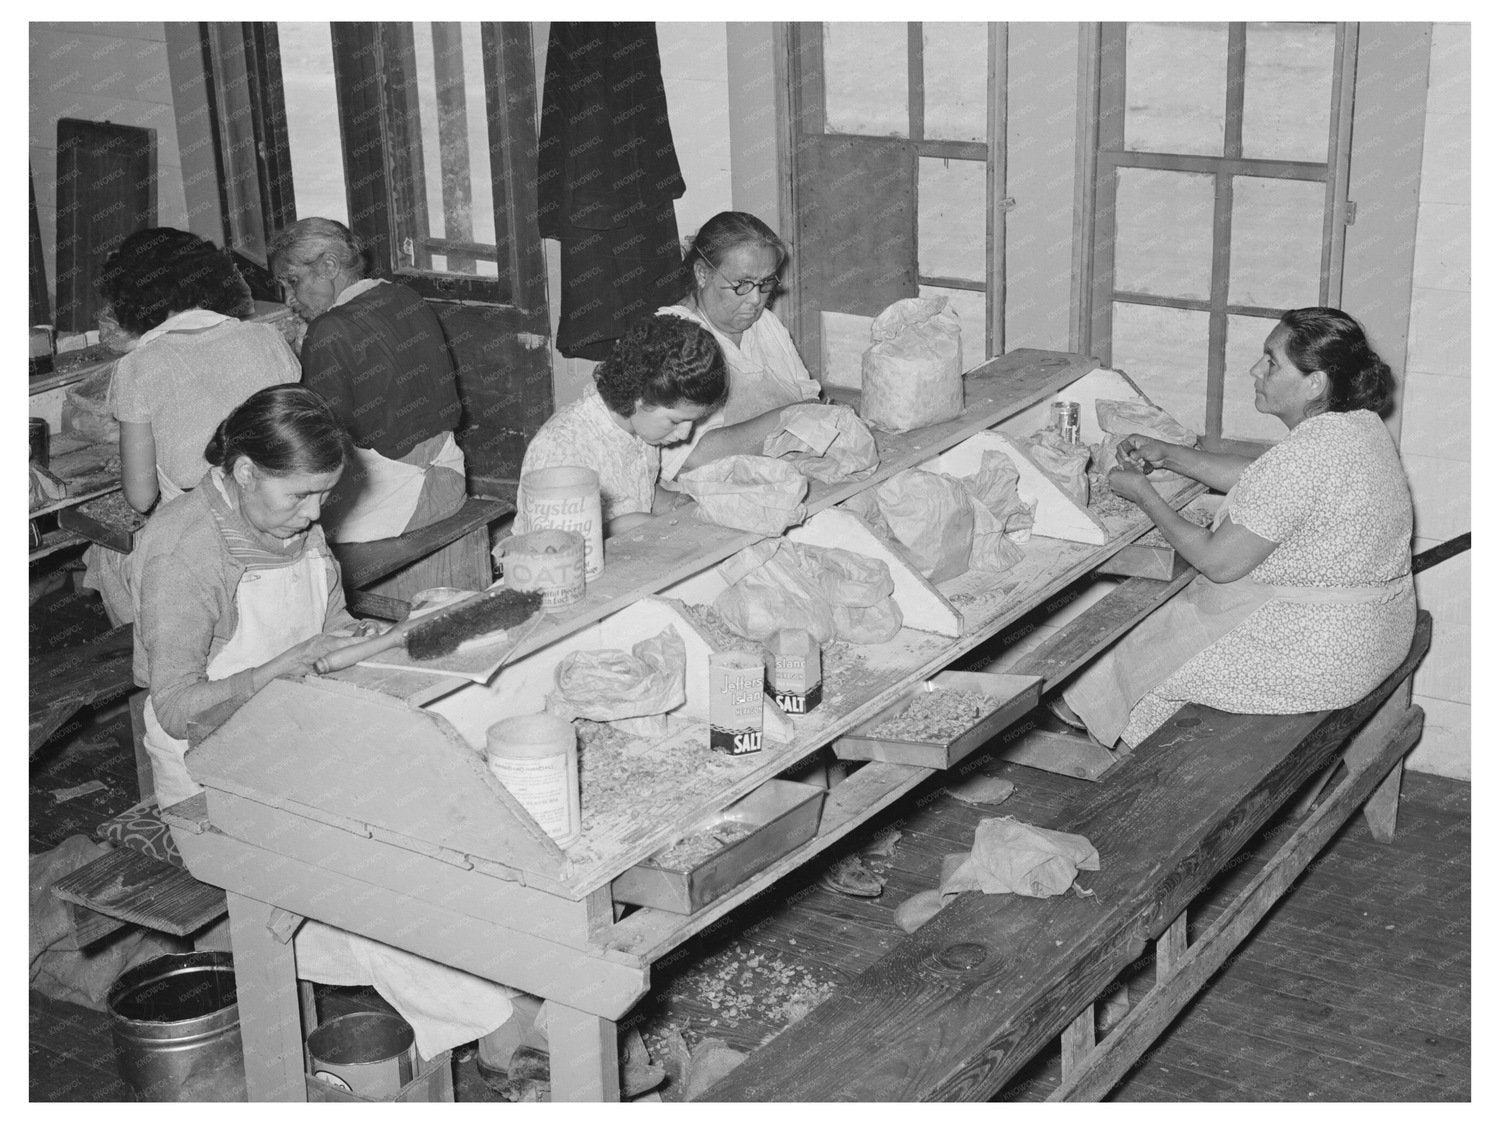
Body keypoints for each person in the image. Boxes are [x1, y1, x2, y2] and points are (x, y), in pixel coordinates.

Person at [130, 383, 522, 1069]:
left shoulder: (294, 522)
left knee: (446, 818)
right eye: (300, 498)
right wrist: (278, 669)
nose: (315, 516)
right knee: (369, 872)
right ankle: (505, 1027)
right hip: (210, 775)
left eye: (323, 496)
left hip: (296, 742)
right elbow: (174, 705)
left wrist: (367, 638)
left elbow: (331, 623)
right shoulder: (185, 551)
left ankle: (502, 995)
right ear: (245, 472)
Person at [1057, 307, 1417, 749]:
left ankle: (1149, 793)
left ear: (1315, 383)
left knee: (1131, 664)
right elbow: (1264, 478)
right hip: (1379, 631)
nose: (1255, 369)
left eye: (1271, 361)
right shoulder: (1356, 427)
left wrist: (1144, 495)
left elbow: (1217, 561)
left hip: (1325, 658)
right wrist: (1168, 455)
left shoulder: (1310, 453)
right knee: (1152, 633)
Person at [82, 228, 299, 625]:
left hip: (206, 541)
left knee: (105, 555)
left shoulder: (136, 368)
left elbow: (141, 497)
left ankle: (157, 673)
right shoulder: (265, 337)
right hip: (280, 521)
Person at [268, 217, 466, 543]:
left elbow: (320, 446)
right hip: (450, 478)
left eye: (293, 281)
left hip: (398, 501)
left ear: (330, 265)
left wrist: (299, 359)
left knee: (275, 522)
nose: (290, 298)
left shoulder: (328, 331)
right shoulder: (404, 296)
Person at [514, 312, 728, 536]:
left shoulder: (641, 429)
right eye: (676, 421)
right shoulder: (563, 449)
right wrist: (636, 524)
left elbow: (634, 494)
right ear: (638, 396)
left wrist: (679, 502)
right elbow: (554, 546)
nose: (685, 434)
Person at [656, 211, 821, 480]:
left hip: (780, 475)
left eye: (766, 283)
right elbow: (690, 457)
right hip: (709, 493)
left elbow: (808, 397)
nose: (756, 299)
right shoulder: (674, 336)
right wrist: (793, 416)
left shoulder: (765, 324)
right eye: (742, 284)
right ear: (702, 274)